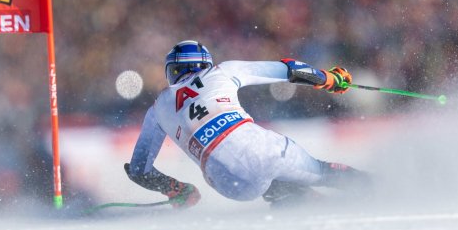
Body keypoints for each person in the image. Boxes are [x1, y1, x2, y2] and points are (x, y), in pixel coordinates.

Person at [125, 40, 371, 208]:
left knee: (273, 185)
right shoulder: (222, 71)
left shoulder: (157, 108)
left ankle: (299, 202)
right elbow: (289, 70)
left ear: (173, 70)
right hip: (262, 149)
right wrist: (330, 79)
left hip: (228, 183)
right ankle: (378, 191)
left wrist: (175, 188)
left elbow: (139, 171)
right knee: (321, 173)